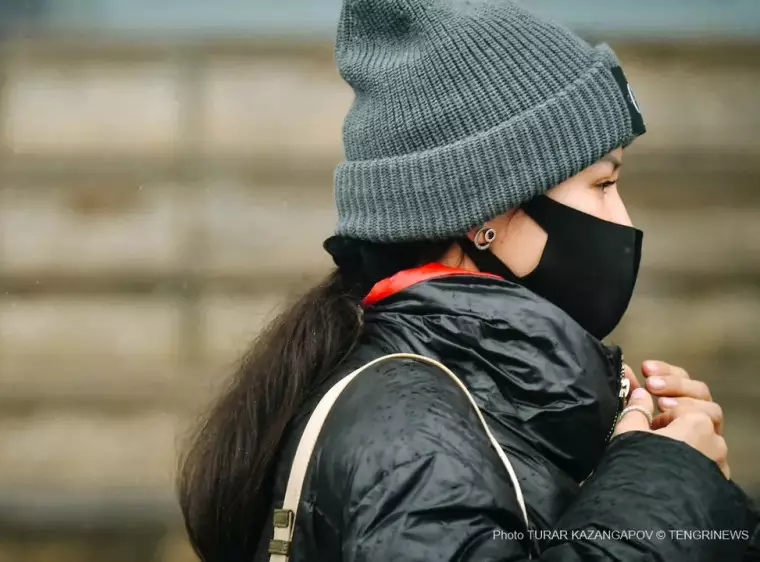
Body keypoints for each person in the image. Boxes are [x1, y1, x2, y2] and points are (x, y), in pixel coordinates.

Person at [177, 0, 760, 560]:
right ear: (486, 214)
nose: (623, 221)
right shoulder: (409, 434)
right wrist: (662, 483)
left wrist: (687, 481)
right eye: (603, 184)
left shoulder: (479, 404)